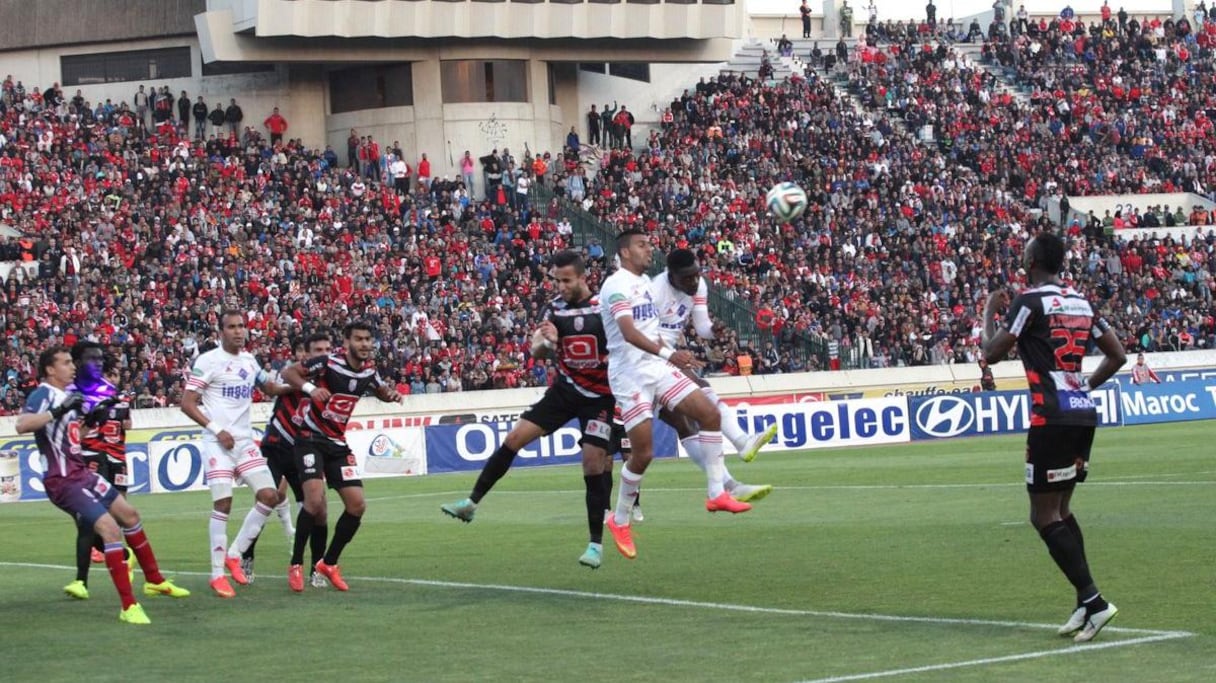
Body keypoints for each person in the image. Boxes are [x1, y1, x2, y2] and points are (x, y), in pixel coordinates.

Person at [982, 232, 1126, 643]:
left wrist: (990, 311)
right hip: (1081, 413)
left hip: (1051, 416)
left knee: (1042, 515)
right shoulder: (1081, 301)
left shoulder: (1029, 301)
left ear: (1032, 259)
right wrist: (1082, 387)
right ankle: (1085, 602)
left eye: (1025, 248)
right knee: (1061, 510)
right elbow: (1117, 356)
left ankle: (1095, 602)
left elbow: (991, 352)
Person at [441, 251, 618, 569]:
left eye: (567, 280)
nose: (561, 286)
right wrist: (546, 343)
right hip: (564, 391)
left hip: (600, 397)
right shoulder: (554, 308)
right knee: (514, 438)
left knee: (592, 463)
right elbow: (538, 352)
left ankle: (595, 544)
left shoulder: (604, 308)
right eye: (557, 280)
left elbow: (620, 348)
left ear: (582, 277)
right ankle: (471, 503)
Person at [599, 229, 751, 561]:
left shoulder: (645, 285)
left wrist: (688, 343)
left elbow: (666, 325)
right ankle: (620, 519)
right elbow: (628, 332)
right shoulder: (615, 286)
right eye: (641, 244)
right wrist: (672, 355)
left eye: (649, 243)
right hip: (630, 376)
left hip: (657, 367)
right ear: (624, 253)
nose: (648, 248)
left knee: (708, 413)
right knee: (643, 455)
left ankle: (716, 493)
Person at [17, 347, 188, 625]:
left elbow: (71, 437)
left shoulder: (69, 397)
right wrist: (59, 410)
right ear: (50, 369)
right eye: (66, 363)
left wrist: (91, 422)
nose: (72, 367)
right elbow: (22, 425)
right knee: (109, 529)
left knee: (130, 516)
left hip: (81, 472)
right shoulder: (44, 394)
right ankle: (128, 605)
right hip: (63, 480)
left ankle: (154, 580)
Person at [648, 248, 778, 508]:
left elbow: (702, 328)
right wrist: (672, 354)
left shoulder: (698, 286)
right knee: (701, 389)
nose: (694, 282)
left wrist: (714, 330)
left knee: (687, 427)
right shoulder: (655, 291)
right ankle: (741, 442)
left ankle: (730, 486)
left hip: (666, 358)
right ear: (671, 275)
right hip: (649, 356)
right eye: (687, 278)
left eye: (696, 276)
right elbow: (645, 333)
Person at [281, 321, 403, 592]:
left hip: (337, 444)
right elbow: (289, 373)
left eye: (367, 339)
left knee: (357, 505)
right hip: (310, 439)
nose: (364, 344)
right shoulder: (327, 363)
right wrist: (311, 389)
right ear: (346, 342)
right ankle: (296, 563)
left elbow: (380, 390)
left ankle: (329, 563)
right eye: (358, 339)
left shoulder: (370, 371)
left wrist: (391, 395)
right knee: (313, 500)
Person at [181, 310, 288, 598]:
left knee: (270, 496)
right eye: (232, 327)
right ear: (221, 331)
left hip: (243, 441)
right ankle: (217, 575)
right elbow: (187, 403)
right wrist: (217, 430)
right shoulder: (209, 361)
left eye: (242, 326)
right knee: (224, 504)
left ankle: (235, 553)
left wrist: (300, 386)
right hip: (218, 442)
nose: (238, 331)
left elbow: (269, 386)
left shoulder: (249, 360)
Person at [240, 333, 333, 587]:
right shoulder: (292, 374)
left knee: (319, 510)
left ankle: (316, 568)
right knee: (267, 500)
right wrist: (306, 386)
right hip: (276, 447)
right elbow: (282, 384)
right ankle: (246, 556)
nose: (312, 356)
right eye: (310, 351)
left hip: (307, 450)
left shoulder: (329, 379)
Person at [63, 342, 134, 600]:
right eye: (93, 359)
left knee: (112, 516)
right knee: (87, 521)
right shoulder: (75, 394)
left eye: (102, 360)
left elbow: (126, 423)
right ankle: (118, 558)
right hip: (86, 459)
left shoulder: (114, 395)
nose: (100, 365)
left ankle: (85, 579)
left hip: (113, 458)